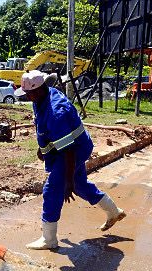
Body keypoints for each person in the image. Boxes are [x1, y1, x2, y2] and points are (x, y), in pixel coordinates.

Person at [14, 70, 126, 250]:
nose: (27, 97)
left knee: (52, 190)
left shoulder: (56, 113)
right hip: (68, 149)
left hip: (74, 151)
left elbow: (68, 152)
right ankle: (114, 212)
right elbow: (45, 129)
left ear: (39, 89)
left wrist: (67, 182)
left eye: (29, 93)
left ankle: (49, 239)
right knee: (80, 185)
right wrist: (42, 149)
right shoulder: (42, 96)